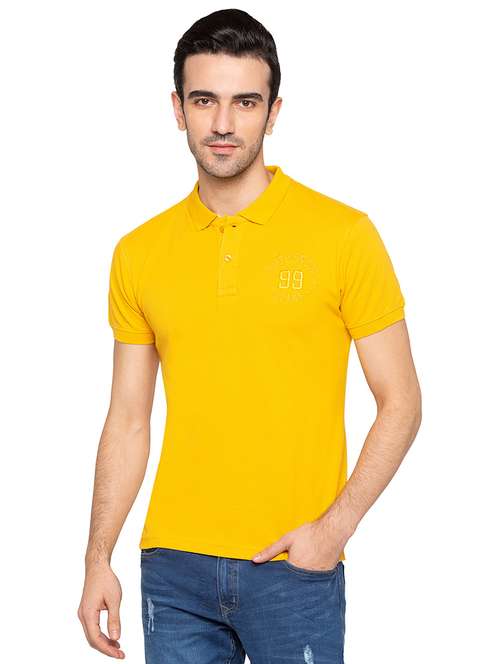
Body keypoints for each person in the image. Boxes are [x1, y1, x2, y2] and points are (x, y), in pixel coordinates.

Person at [77, 8, 422, 663]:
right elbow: (127, 419)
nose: (223, 123)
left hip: (294, 565)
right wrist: (99, 557)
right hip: (172, 568)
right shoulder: (139, 253)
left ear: (273, 112)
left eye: (245, 102)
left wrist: (334, 530)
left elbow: (401, 401)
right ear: (178, 109)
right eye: (204, 100)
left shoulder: (343, 236)